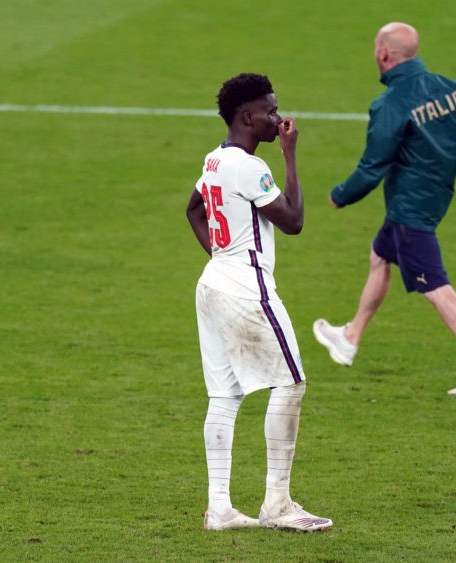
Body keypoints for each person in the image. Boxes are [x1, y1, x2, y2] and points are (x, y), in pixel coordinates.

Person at [312, 22, 456, 398]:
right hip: (436, 198)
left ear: (384, 54)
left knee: (434, 285)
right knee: (379, 255)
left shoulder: (391, 105)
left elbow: (374, 164)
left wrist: (342, 194)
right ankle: (350, 337)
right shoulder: (453, 90)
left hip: (410, 208)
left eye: (375, 46)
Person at [186, 73, 332, 532]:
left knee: (224, 396)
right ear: (246, 117)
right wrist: (290, 156)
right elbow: (293, 221)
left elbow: (193, 208)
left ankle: (221, 507)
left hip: (212, 284)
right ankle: (277, 503)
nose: (278, 117)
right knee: (291, 383)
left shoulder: (214, 159)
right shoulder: (251, 167)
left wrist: (220, 254)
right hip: (247, 289)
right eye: (270, 111)